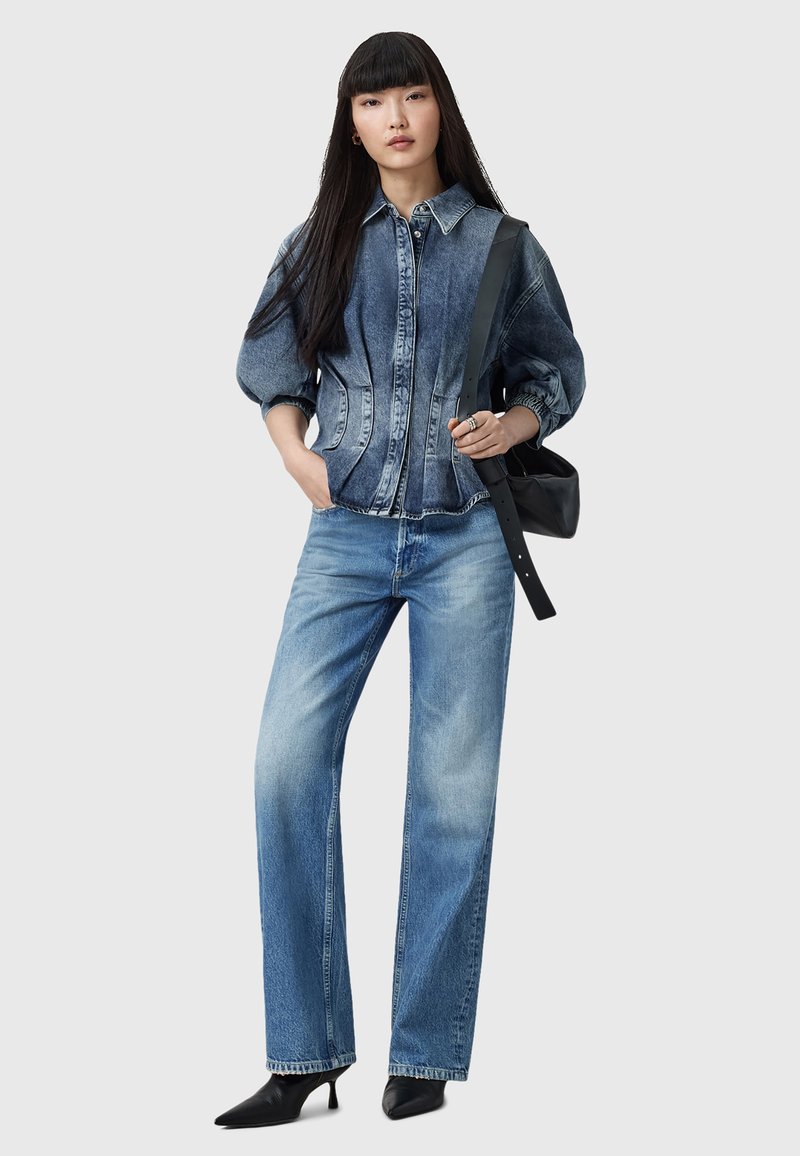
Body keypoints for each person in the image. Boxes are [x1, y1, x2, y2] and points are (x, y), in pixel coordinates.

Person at [215, 30, 585, 1128]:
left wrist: (512, 423)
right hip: (345, 535)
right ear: (350, 122)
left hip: (466, 536)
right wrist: (297, 459)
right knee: (284, 766)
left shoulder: (504, 244)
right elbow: (270, 366)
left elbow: (556, 371)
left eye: (411, 96)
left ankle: (422, 1053)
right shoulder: (319, 241)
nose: (394, 119)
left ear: (438, 109)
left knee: (451, 793)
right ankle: (304, 1052)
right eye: (373, 102)